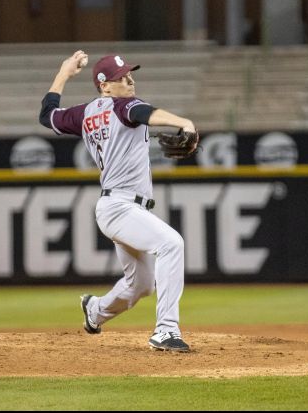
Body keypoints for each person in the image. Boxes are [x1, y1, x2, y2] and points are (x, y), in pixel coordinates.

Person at [39, 50, 197, 352]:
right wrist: (184, 122)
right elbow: (146, 114)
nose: (129, 79)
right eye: (120, 77)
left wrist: (63, 72)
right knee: (171, 244)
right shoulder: (124, 105)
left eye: (129, 74)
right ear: (104, 86)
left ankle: (95, 311)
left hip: (119, 208)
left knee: (141, 285)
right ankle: (166, 330)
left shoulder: (84, 113)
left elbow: (47, 116)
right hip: (120, 206)